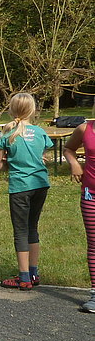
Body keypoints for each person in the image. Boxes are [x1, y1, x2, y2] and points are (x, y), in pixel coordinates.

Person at [0, 93, 52, 290]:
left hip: (20, 186)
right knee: (32, 227)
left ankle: (24, 277)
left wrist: (7, 160)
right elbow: (42, 155)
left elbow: (0, 166)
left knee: (20, 230)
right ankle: (34, 272)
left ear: (11, 110)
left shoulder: (7, 134)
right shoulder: (40, 132)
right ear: (32, 110)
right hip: (40, 184)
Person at [62, 118, 95, 311]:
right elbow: (68, 149)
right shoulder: (85, 128)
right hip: (91, 195)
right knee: (94, 244)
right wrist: (74, 163)